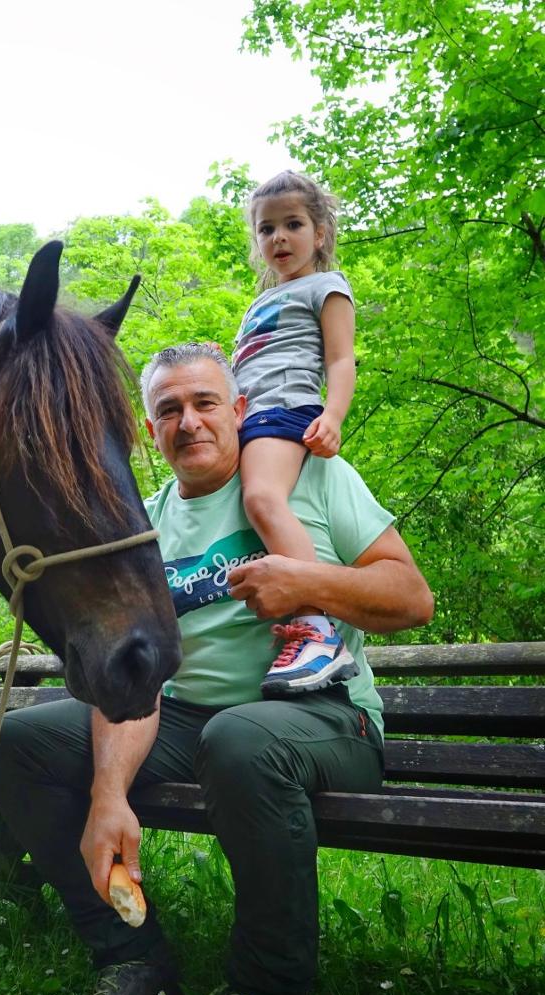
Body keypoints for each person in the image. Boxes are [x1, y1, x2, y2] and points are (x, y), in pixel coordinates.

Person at [0, 343, 433, 995]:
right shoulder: (143, 521)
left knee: (241, 739)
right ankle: (132, 960)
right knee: (19, 742)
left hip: (322, 716)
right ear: (150, 432)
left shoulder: (310, 478)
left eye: (205, 403)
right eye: (168, 411)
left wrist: (310, 583)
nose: (188, 422)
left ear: (240, 411)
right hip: (189, 724)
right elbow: (135, 681)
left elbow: (412, 597)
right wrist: (108, 795)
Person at [233, 171, 358, 696]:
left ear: (320, 232)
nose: (278, 238)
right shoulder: (257, 303)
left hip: (286, 408)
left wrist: (332, 417)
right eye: (266, 229)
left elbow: (341, 359)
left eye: (293, 224)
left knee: (262, 498)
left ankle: (318, 628)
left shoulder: (327, 287)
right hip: (247, 416)